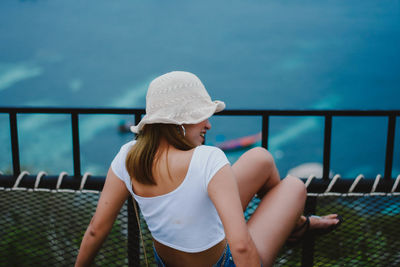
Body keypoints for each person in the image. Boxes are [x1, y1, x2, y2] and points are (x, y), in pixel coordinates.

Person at [75, 71, 342, 267]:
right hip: (222, 262)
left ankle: (293, 225)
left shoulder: (127, 156)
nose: (209, 124)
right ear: (179, 123)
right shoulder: (208, 159)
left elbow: (97, 229)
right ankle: (295, 225)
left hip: (170, 261)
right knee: (294, 186)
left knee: (260, 157)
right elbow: (240, 245)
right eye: (201, 116)